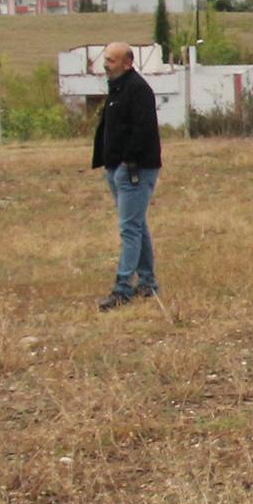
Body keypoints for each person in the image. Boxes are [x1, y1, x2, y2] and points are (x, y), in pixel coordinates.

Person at [90, 41, 162, 309]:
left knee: (129, 228)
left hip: (134, 170)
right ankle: (147, 282)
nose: (105, 65)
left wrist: (126, 163)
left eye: (111, 60)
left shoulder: (138, 90)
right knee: (137, 225)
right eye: (105, 59)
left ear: (127, 63)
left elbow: (143, 132)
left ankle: (122, 289)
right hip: (117, 168)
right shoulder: (118, 88)